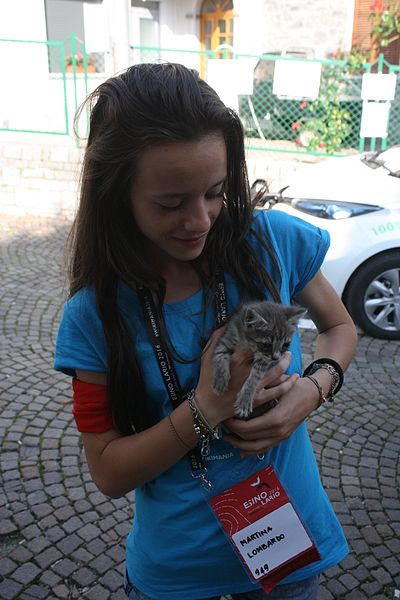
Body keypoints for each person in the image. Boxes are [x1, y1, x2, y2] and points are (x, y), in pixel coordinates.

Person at [54, 62, 357, 600]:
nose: (199, 220)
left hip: (292, 558)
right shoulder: (93, 315)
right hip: (175, 575)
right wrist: (207, 409)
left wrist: (313, 390)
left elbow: (339, 327)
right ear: (116, 195)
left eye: (215, 192)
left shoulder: (274, 242)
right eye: (170, 204)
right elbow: (107, 472)